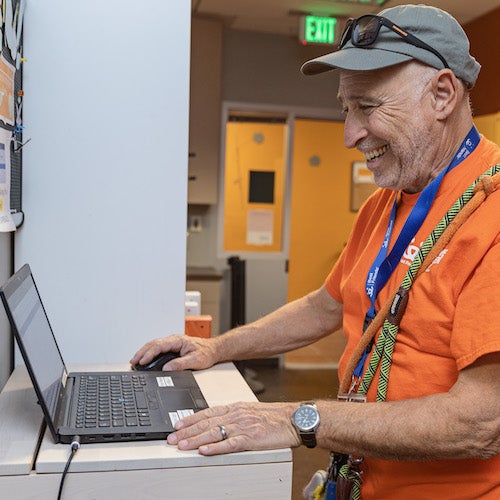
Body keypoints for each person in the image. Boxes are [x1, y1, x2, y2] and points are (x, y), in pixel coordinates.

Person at [131, 4, 500, 499]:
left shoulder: (491, 213)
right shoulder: (384, 205)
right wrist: (217, 348)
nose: (351, 135)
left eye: (368, 108)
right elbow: (326, 304)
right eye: (347, 109)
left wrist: (298, 418)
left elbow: (482, 421)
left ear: (442, 94)